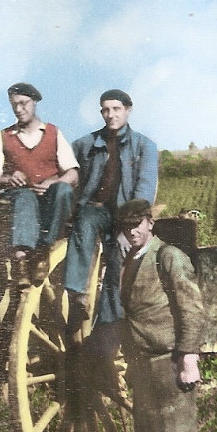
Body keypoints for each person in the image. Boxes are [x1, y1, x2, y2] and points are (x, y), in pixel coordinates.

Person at [111, 199, 207, 432]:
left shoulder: (168, 257)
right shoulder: (129, 261)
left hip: (169, 358)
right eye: (126, 226)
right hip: (141, 363)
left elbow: (191, 308)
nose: (132, 231)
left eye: (138, 223)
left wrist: (189, 357)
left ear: (150, 223)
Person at [65, 89, 158, 330]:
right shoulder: (86, 144)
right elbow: (66, 168)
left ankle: (107, 328)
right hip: (96, 211)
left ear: (128, 110)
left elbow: (145, 189)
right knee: (83, 220)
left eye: (116, 109)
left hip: (126, 215)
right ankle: (76, 294)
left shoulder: (144, 146)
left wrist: (129, 225)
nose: (110, 115)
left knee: (117, 262)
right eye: (105, 110)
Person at [0, 82, 78, 285]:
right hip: (19, 199)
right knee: (25, 196)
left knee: (63, 190)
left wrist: (56, 181)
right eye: (14, 105)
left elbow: (73, 173)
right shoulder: (2, 137)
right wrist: (7, 178)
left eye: (23, 103)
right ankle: (22, 257)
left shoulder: (54, 133)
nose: (18, 109)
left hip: (49, 201)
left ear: (34, 103)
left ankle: (43, 249)